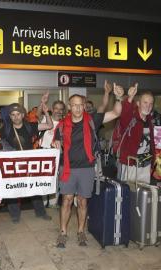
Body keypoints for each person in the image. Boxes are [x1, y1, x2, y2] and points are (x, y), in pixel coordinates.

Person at [53, 84, 124, 248]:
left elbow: (115, 113)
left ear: (84, 106)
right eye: (74, 105)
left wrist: (119, 98)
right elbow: (57, 140)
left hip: (86, 168)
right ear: (69, 107)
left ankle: (81, 231)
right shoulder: (62, 125)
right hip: (68, 169)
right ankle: (63, 232)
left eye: (80, 105)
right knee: (67, 200)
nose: (78, 108)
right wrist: (57, 141)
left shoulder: (92, 120)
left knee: (83, 201)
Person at [0, 94, 53, 223]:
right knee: (13, 189)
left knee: (35, 188)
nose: (16, 117)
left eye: (18, 114)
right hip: (14, 164)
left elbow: (49, 126)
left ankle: (40, 212)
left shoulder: (30, 126)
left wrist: (46, 112)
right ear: (10, 116)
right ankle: (15, 215)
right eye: (13, 114)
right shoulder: (5, 129)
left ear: (23, 115)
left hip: (29, 163)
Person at [117, 84, 155, 184]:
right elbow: (124, 114)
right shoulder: (131, 118)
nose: (148, 106)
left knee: (144, 194)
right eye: (145, 103)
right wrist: (130, 98)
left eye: (151, 103)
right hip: (131, 164)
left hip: (145, 164)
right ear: (138, 103)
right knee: (129, 193)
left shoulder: (150, 120)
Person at [37, 99, 66, 208]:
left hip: (57, 154)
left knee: (56, 178)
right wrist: (42, 103)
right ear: (52, 109)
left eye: (61, 109)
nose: (58, 111)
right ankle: (43, 203)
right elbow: (38, 114)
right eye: (56, 108)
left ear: (63, 111)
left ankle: (53, 202)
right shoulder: (45, 118)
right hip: (43, 151)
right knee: (43, 178)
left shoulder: (65, 123)